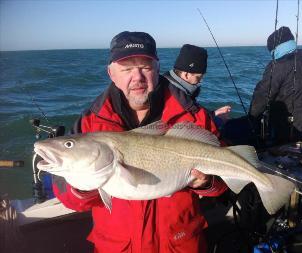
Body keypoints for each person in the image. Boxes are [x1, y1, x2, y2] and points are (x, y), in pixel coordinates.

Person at [52, 31, 228, 253]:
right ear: (111, 73)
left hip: (179, 244)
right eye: (126, 69)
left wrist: (206, 183)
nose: (137, 77)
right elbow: (69, 197)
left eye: (145, 67)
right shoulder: (89, 124)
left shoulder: (194, 117)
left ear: (157, 69)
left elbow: (223, 183)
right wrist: (80, 186)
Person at [249, 26, 302, 147]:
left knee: (293, 158)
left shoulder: (277, 66)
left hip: (292, 125)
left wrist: (252, 117)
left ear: (274, 49)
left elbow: (263, 94)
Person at [163, 44, 231, 129]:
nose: (200, 81)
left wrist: (213, 114)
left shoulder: (168, 85)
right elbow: (192, 128)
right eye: (198, 77)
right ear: (186, 75)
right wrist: (218, 120)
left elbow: (194, 114)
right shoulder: (177, 98)